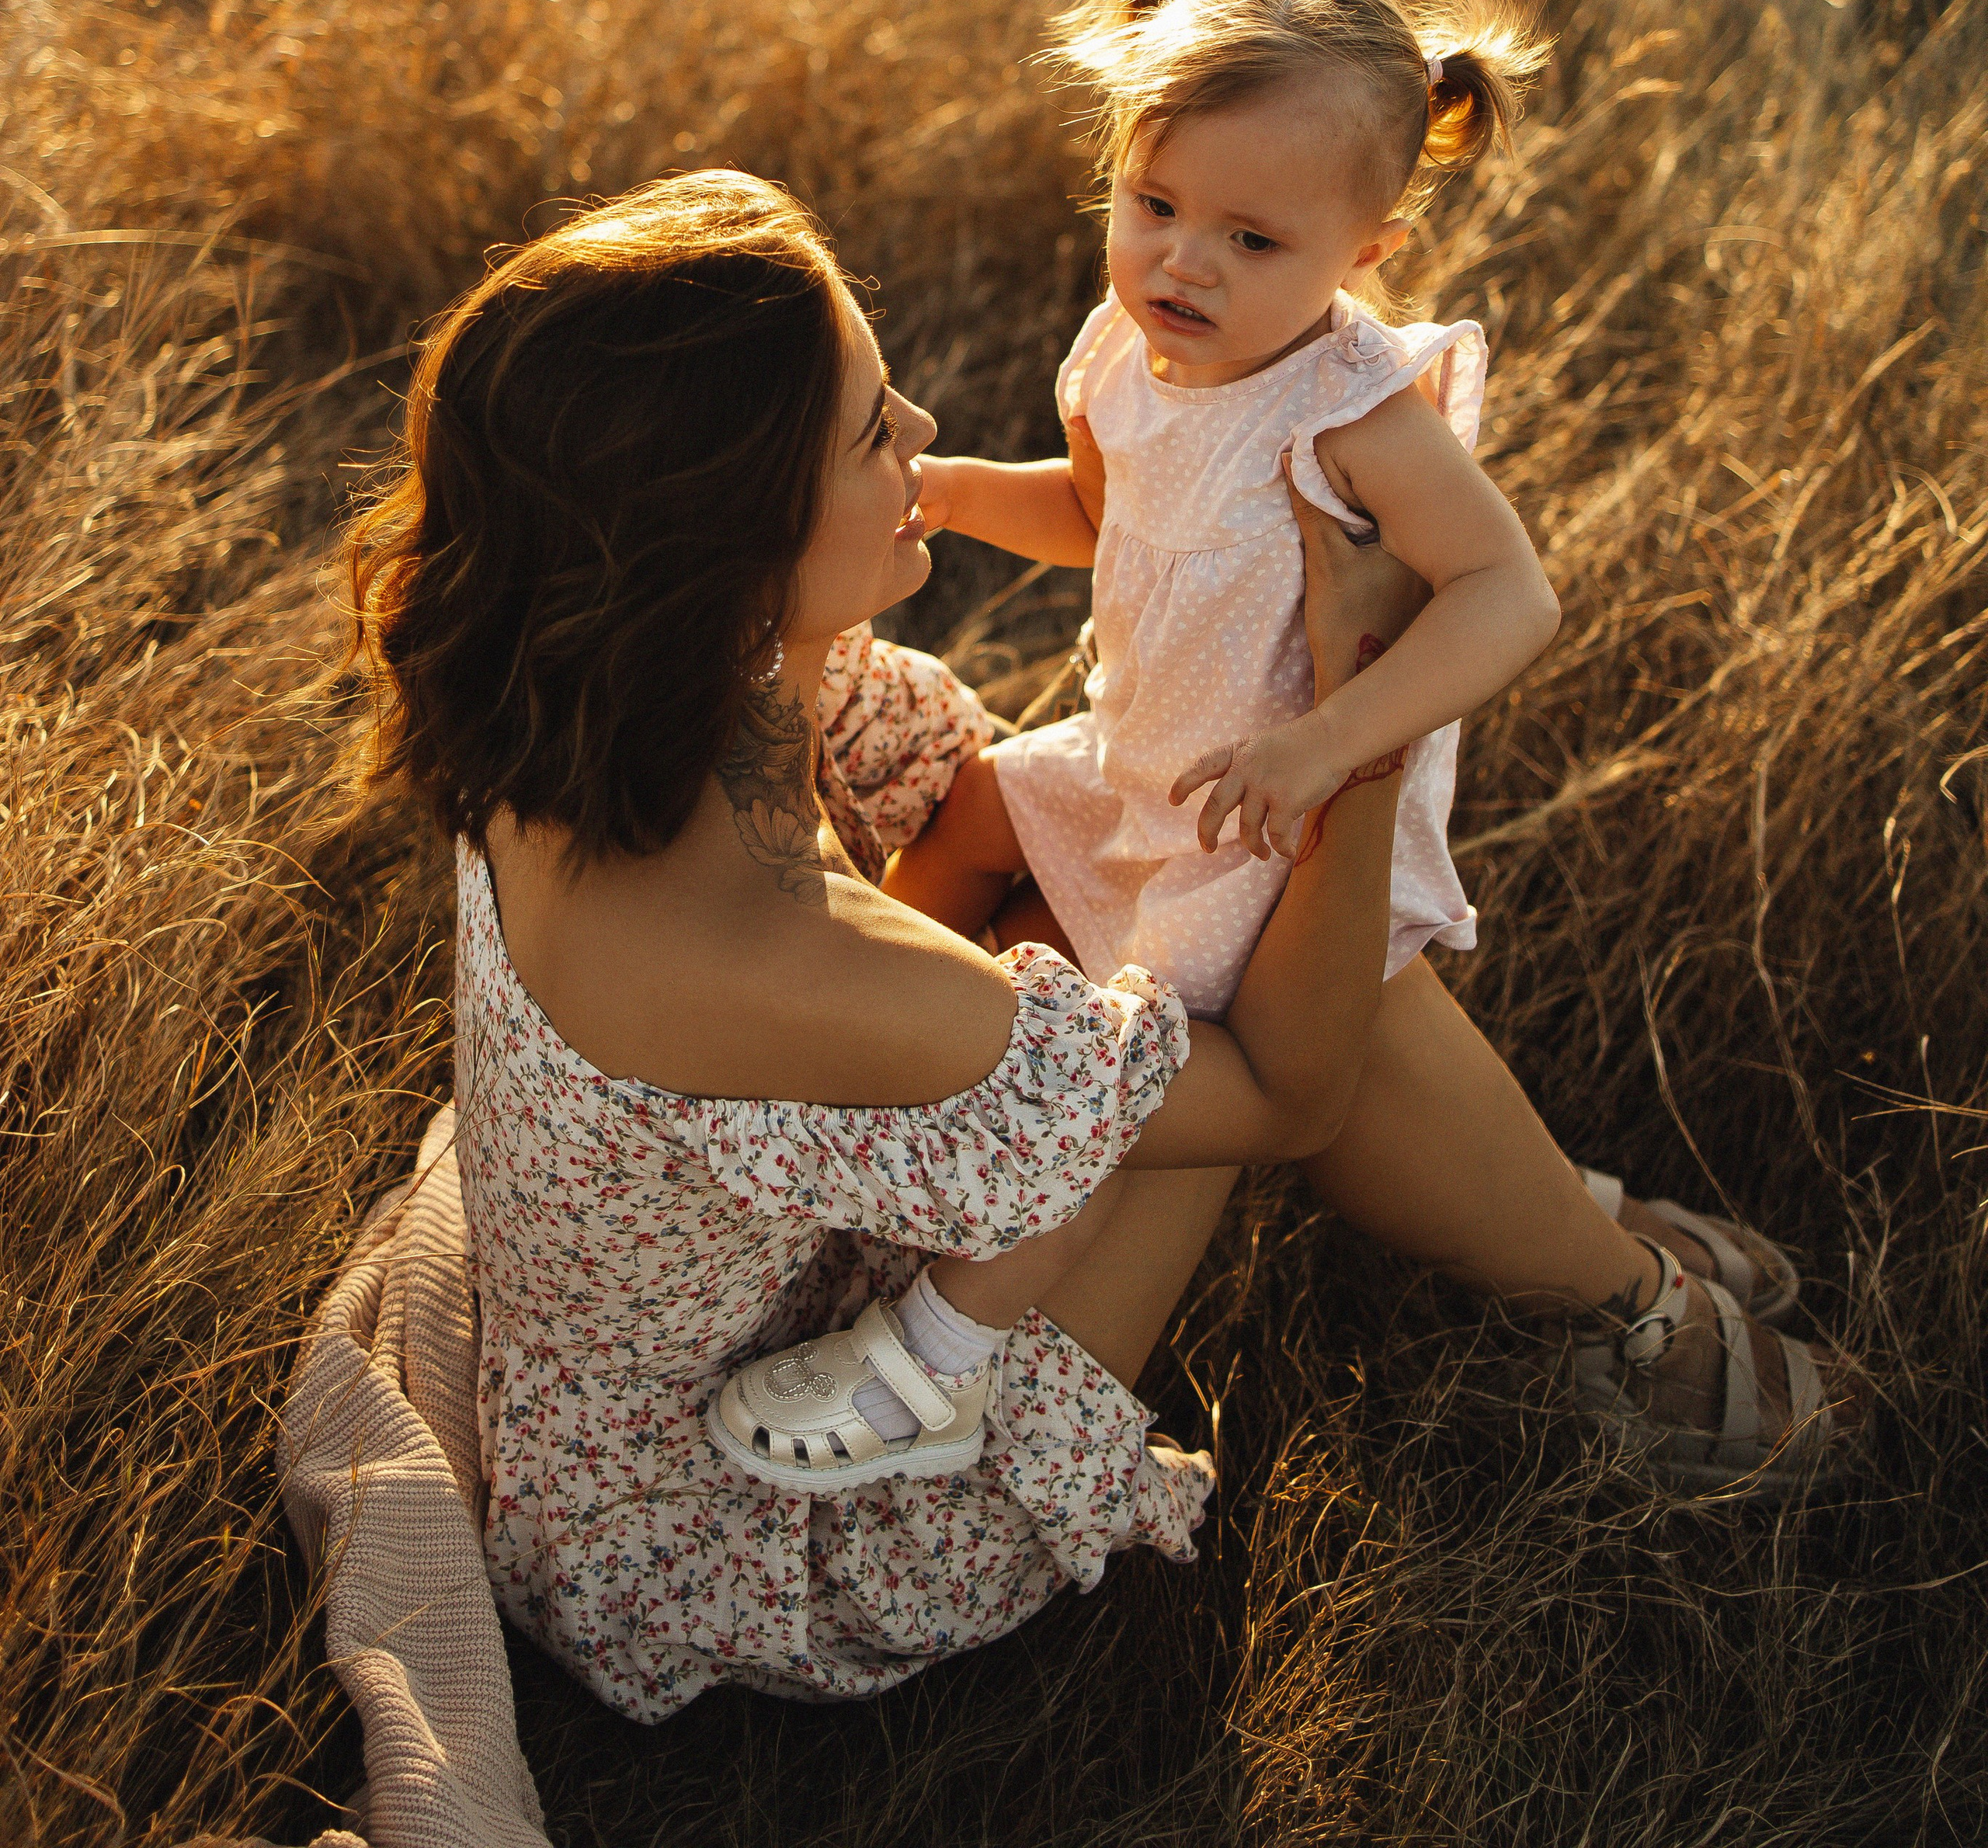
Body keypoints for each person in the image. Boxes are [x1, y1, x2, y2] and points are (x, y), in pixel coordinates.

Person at [721, 0, 1853, 1498]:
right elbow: (1102, 515)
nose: (1184, 262)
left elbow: (1505, 592)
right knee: (980, 811)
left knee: (1152, 1050)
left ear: (1361, 254)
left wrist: (1331, 740)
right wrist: (979, 493)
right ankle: (873, 1070)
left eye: (1252, 241)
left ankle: (947, 1349)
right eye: (1152, 205)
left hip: (1278, 811)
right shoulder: (1128, 347)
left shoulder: (1346, 404)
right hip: (1148, 766)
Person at [339, 168, 1425, 1718]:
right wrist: (1357, 720)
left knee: (1124, 892)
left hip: (677, 1334)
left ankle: (1589, 1258)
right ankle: (1609, 1288)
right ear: (718, 539)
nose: (921, 433)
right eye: (869, 428)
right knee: (1208, 987)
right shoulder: (776, 945)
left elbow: (1005, 810)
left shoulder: (574, 692)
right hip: (738, 1528)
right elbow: (1285, 1098)